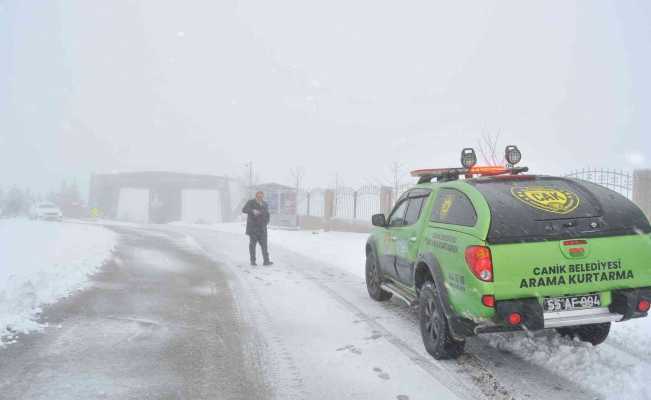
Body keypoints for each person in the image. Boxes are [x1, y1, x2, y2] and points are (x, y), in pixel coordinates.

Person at [242, 191, 273, 266]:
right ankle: (253, 261)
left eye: (261, 196)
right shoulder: (251, 202)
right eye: (259, 196)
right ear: (256, 196)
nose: (260, 198)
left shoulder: (265, 204)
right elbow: (244, 210)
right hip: (253, 228)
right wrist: (252, 211)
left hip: (262, 228)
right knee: (252, 245)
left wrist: (266, 222)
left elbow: (267, 213)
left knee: (264, 245)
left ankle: (266, 261)